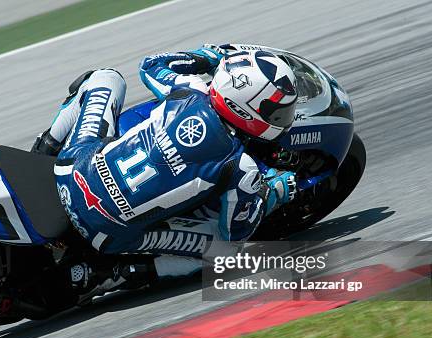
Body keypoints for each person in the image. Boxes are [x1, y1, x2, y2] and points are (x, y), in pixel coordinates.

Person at [32, 44, 298, 303]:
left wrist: (204, 58)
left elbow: (151, 65)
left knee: (106, 78)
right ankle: (113, 274)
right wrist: (272, 191)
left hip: (71, 170)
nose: (284, 118)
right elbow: (236, 232)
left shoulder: (189, 90)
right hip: (106, 231)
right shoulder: (243, 167)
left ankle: (40, 154)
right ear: (246, 108)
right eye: (278, 112)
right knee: (226, 252)